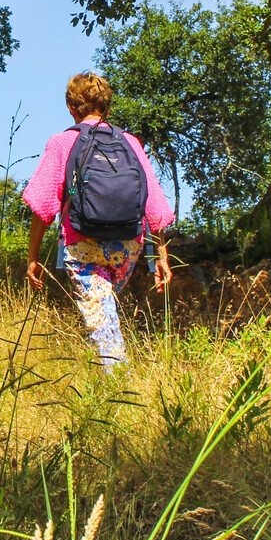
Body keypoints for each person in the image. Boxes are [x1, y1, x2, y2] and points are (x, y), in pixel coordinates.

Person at [23, 72, 173, 370]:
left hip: (83, 243)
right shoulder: (129, 142)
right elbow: (155, 205)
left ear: (71, 108)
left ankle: (119, 387)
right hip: (129, 245)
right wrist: (162, 257)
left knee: (103, 322)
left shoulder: (63, 142)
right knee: (103, 312)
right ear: (107, 107)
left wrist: (33, 257)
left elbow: (42, 206)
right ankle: (99, 371)